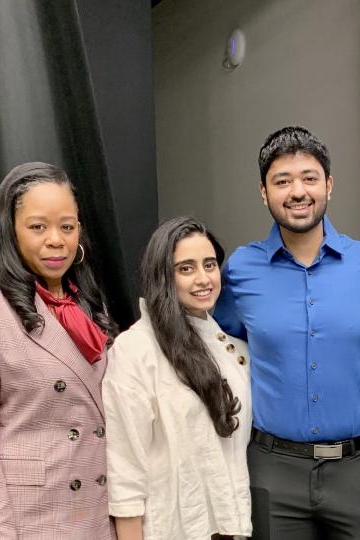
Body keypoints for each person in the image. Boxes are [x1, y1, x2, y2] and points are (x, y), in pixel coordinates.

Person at [213, 126, 360, 539]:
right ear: (264, 192)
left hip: (359, 468)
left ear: (329, 185)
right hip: (272, 469)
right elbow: (218, 352)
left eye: (309, 178)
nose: (297, 191)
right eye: (282, 181)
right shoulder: (239, 271)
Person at [0, 162, 118, 539]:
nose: (56, 240)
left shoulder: (88, 305)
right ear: (10, 231)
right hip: (27, 521)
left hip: (95, 516)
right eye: (38, 226)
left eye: (67, 226)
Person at [103, 217, 252, 540]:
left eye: (209, 265)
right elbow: (125, 469)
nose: (203, 279)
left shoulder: (233, 351)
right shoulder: (136, 350)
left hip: (231, 529)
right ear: (163, 277)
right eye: (186, 268)